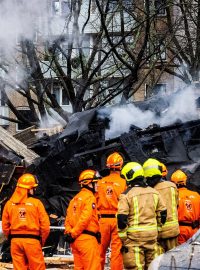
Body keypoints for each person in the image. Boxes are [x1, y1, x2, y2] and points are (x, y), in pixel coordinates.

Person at [117, 162, 167, 270]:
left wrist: (124, 240)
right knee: (153, 266)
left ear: (129, 176)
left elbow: (121, 219)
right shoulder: (154, 192)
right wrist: (157, 230)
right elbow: (163, 214)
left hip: (134, 239)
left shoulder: (126, 195)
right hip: (152, 236)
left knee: (135, 267)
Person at [2, 173, 50, 270]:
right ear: (29, 189)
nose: (34, 190)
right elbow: (45, 226)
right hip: (32, 241)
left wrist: (12, 238)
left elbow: (5, 226)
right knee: (37, 267)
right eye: (33, 188)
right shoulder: (36, 203)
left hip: (15, 242)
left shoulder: (9, 204)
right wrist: (41, 241)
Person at [64, 169, 101, 270]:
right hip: (87, 240)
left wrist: (69, 233)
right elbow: (85, 218)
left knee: (79, 268)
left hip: (75, 242)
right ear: (89, 184)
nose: (98, 185)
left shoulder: (75, 199)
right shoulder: (90, 198)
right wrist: (74, 233)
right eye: (95, 182)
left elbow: (68, 219)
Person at [96, 152, 126, 270]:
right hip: (118, 221)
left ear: (108, 166)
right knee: (116, 252)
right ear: (121, 166)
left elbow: (94, 200)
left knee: (99, 251)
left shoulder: (100, 182)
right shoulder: (124, 183)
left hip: (102, 221)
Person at [143, 158, 179, 252]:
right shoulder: (172, 186)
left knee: (158, 262)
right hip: (173, 230)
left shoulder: (149, 191)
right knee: (172, 261)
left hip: (157, 232)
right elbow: (176, 205)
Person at [171, 169, 200, 244]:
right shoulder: (196, 195)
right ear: (185, 181)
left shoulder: (173, 196)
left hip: (180, 231)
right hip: (195, 230)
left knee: (180, 253)